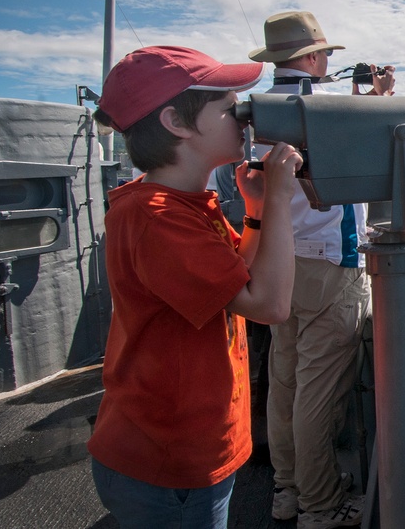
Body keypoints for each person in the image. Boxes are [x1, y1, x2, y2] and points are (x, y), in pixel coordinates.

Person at [86, 45, 303, 528]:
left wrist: (255, 210)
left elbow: (238, 280)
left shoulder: (184, 204)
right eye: (229, 108)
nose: (245, 118)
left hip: (189, 450)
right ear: (176, 123)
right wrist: (280, 198)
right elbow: (269, 305)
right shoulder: (156, 216)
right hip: (169, 463)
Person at [248, 10, 395, 528]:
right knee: (318, 393)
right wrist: (382, 101)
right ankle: (320, 504)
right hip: (331, 264)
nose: (328, 62)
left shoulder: (260, 111)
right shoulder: (329, 107)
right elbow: (377, 147)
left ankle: (287, 490)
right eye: (325, 54)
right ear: (311, 57)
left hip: (278, 262)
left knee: (285, 381)